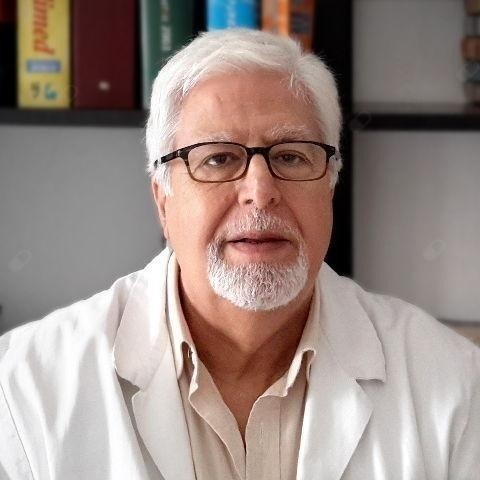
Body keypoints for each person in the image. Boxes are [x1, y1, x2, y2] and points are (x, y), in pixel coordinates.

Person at [0, 29, 479, 480]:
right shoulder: (23, 391)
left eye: (291, 156)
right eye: (218, 158)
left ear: (330, 187)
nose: (259, 192)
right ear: (163, 200)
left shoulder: (454, 385)